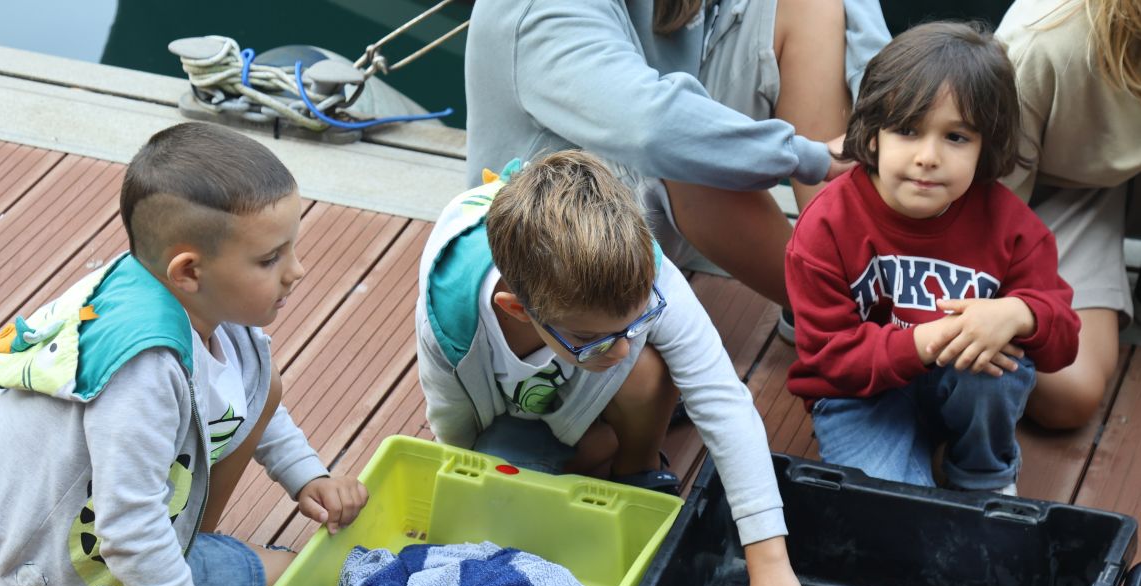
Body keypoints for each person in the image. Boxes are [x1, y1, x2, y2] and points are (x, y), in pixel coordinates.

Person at [0, 122, 368, 586]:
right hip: (67, 578)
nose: (297, 270)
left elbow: (241, 396)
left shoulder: (184, 301)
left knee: (265, 383)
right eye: (271, 259)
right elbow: (128, 529)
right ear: (189, 271)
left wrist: (305, 474)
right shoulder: (142, 371)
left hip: (40, 548)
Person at [416, 149, 814, 586]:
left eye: (636, 321)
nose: (621, 349)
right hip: (510, 414)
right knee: (501, 508)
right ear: (518, 309)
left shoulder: (634, 263)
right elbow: (453, 425)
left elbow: (723, 398)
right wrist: (469, 498)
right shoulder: (452, 317)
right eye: (592, 336)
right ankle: (590, 448)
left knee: (647, 370)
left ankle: (635, 469)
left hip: (581, 387)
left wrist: (768, 560)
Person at [464, 0, 891, 331]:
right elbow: (651, 127)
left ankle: (857, 269)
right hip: (553, 250)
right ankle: (845, 314)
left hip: (649, 206)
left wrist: (895, 107)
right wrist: (812, 157)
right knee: (683, 146)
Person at [784, 22, 1081, 493]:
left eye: (956, 137)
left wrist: (1019, 313)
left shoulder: (1010, 224)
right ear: (874, 134)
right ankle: (918, 465)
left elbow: (1064, 340)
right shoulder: (825, 226)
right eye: (907, 129)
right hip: (860, 397)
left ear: (986, 146)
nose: (928, 156)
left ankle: (979, 472)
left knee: (998, 366)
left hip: (960, 383)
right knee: (893, 511)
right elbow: (827, 360)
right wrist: (928, 339)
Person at [997, 0, 1141, 430]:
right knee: (1069, 391)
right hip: (1050, 190)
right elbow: (988, 213)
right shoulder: (1044, 43)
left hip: (1120, 171)